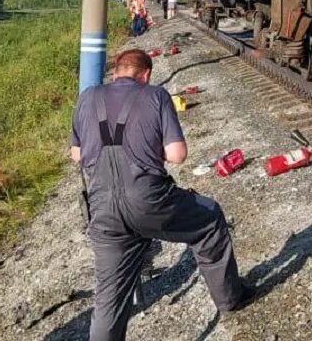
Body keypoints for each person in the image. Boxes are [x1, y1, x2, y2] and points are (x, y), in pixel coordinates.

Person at [70, 49, 252, 340]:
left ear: (115, 72)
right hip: (150, 201)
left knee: (109, 298)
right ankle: (231, 299)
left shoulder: (87, 98)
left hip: (102, 209)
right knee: (210, 220)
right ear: (146, 75)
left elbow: (77, 154)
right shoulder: (156, 95)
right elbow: (177, 155)